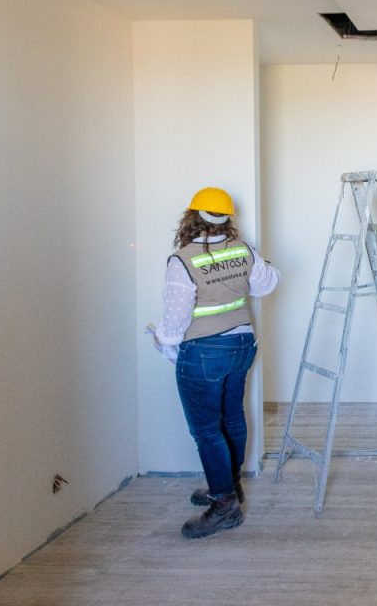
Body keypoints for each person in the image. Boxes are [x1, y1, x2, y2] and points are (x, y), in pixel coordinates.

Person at [149, 187, 279, 539]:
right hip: (242, 344)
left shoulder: (183, 260)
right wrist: (261, 264)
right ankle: (230, 485)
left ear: (191, 217)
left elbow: (176, 319)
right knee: (232, 416)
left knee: (207, 430)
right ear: (226, 218)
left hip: (204, 352)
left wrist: (161, 339)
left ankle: (224, 505)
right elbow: (266, 286)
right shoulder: (242, 249)